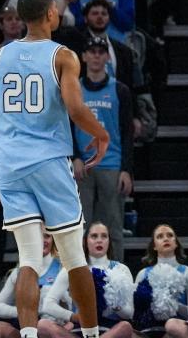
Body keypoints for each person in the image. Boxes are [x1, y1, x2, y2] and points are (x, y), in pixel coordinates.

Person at [0, 0, 111, 338]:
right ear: (52, 14)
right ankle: (92, 333)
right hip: (49, 163)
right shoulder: (63, 56)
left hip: (10, 165)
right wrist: (102, 135)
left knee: (28, 259)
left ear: (21, 18)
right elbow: (76, 108)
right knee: (73, 256)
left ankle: (27, 335)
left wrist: (19, 126)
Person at [72, 36, 133, 261]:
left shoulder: (120, 90)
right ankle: (79, 279)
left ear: (107, 57)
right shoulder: (73, 89)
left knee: (113, 228)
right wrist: (74, 156)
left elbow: (127, 132)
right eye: (92, 51)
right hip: (82, 167)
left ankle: (118, 275)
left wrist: (127, 169)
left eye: (101, 51)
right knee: (80, 227)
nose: (96, 56)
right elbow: (65, 126)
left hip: (111, 164)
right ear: (84, 57)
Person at [39, 222, 134, 338]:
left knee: (125, 327)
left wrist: (115, 304)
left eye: (104, 236)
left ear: (109, 241)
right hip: (80, 329)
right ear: (85, 241)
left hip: (110, 330)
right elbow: (48, 304)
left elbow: (129, 313)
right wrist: (73, 317)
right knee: (42, 325)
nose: (99, 240)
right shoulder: (73, 268)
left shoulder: (121, 269)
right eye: (94, 236)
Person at [0, 228, 61, 334]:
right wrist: (26, 312)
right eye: (37, 235)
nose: (42, 240)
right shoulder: (18, 271)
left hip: (55, 327)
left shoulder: (63, 269)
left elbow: (75, 308)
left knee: (44, 326)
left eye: (47, 236)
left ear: (53, 240)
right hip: (25, 327)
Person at [134, 223, 188, 320]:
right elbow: (135, 312)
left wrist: (172, 305)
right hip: (150, 330)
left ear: (176, 243)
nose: (166, 239)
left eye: (170, 235)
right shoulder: (143, 274)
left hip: (178, 329)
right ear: (154, 246)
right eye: (160, 236)